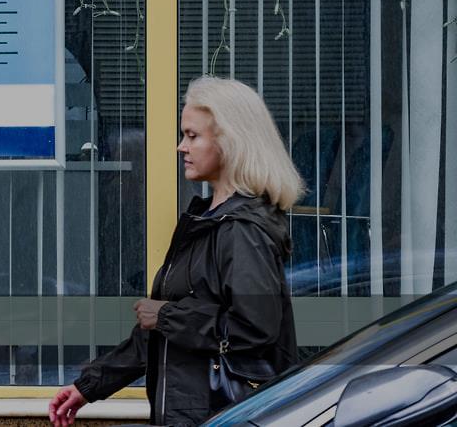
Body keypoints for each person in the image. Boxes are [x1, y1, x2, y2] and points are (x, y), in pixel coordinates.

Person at [49, 76, 303, 426]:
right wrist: (89, 385)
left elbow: (255, 328)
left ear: (230, 141)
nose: (180, 147)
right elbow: (162, 334)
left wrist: (167, 315)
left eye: (192, 136)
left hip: (222, 416)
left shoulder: (241, 229)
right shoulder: (208, 220)